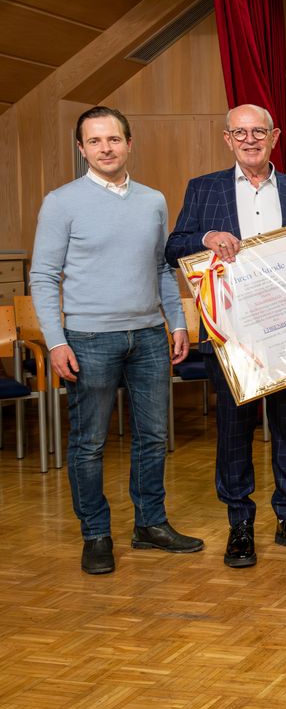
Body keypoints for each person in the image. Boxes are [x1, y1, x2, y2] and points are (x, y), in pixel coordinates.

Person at [165, 103, 286, 568]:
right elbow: (173, 247)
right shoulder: (203, 189)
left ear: (275, 137)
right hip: (233, 336)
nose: (250, 140)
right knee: (234, 430)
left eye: (259, 132)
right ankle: (240, 524)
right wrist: (206, 237)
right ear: (227, 139)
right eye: (240, 132)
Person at [30, 106, 203, 575]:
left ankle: (150, 524)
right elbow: (43, 277)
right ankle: (96, 534)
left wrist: (177, 323)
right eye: (95, 141)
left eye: (113, 139)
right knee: (88, 443)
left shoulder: (153, 200)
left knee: (153, 436)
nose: (105, 148)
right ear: (81, 149)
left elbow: (162, 267)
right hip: (87, 338)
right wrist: (55, 342)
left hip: (148, 335)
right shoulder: (61, 202)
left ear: (129, 143)